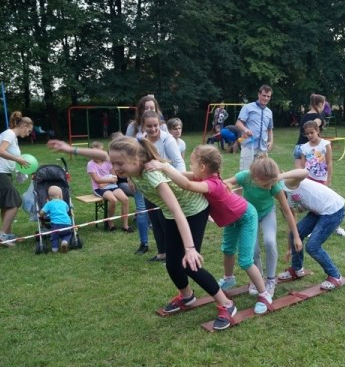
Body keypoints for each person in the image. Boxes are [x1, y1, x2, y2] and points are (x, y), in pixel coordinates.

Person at [48, 137, 238, 330]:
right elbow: (102, 155)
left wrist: (189, 248)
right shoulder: (128, 163)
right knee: (172, 263)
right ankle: (187, 297)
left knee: (190, 264)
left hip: (192, 210)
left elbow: (177, 210)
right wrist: (70, 149)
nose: (115, 167)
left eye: (119, 164)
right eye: (113, 163)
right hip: (172, 214)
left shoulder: (151, 175)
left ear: (135, 159)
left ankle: (226, 304)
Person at [146, 145, 274, 315]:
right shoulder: (204, 177)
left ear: (202, 167)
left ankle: (264, 294)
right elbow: (185, 176)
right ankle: (229, 279)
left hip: (245, 217)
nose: (190, 167)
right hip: (231, 220)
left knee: (245, 260)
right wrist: (163, 174)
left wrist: (164, 166)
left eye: (191, 163)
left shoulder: (211, 184)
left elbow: (186, 184)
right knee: (227, 250)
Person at [222, 156, 302, 295]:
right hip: (248, 216)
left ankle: (271, 280)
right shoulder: (245, 177)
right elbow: (223, 184)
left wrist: (296, 236)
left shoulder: (274, 185)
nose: (270, 187)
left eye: (272, 184)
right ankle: (257, 279)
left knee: (270, 242)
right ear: (254, 177)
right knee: (253, 250)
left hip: (267, 213)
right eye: (266, 185)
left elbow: (287, 211)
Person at [126, 97, 185, 260]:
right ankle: (162, 252)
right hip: (148, 185)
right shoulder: (140, 140)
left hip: (165, 183)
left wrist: (178, 182)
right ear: (143, 126)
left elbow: (179, 162)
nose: (153, 129)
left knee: (165, 218)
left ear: (160, 125)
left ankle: (175, 251)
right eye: (149, 126)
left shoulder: (167, 139)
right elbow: (131, 160)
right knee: (154, 219)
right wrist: (130, 178)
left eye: (155, 126)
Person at [277, 169, 345, 291]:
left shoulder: (288, 182)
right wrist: (289, 248)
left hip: (333, 210)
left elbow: (304, 172)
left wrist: (280, 176)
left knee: (313, 246)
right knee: (297, 233)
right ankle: (297, 269)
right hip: (318, 211)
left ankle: (335, 276)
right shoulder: (279, 195)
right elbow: (291, 223)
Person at [0, 111, 34, 246]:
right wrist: (18, 159)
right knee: (15, 201)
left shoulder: (13, 137)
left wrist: (19, 170)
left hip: (3, 173)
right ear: (23, 125)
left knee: (7, 203)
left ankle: (8, 235)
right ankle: (2, 235)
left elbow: (10, 156)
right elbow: (0, 151)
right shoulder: (9, 134)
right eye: (29, 130)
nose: (29, 134)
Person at [111, 131, 149, 254]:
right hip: (133, 184)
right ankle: (144, 243)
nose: (116, 167)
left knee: (158, 212)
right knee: (142, 210)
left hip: (149, 183)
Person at [86, 141, 132, 232]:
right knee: (113, 200)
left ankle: (125, 225)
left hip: (111, 185)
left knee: (125, 199)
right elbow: (97, 180)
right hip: (98, 189)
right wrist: (108, 180)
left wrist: (106, 182)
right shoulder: (90, 164)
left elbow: (115, 177)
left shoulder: (108, 162)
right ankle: (110, 221)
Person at [236, 85, 274, 170]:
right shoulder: (248, 107)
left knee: (262, 173)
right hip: (249, 145)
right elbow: (238, 123)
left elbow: (269, 129)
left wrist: (271, 141)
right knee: (246, 173)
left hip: (262, 148)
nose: (266, 98)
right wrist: (246, 130)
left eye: (268, 96)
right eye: (264, 95)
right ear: (259, 94)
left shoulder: (269, 112)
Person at [294, 94, 326, 169]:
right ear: (320, 104)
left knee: (298, 175)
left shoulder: (305, 115)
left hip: (298, 147)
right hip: (309, 149)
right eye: (324, 105)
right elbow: (312, 126)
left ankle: (283, 178)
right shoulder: (319, 117)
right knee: (310, 177)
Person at [39, 185, 72, 253]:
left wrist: (41, 214)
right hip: (67, 222)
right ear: (60, 195)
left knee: (54, 236)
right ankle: (64, 242)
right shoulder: (64, 203)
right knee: (67, 234)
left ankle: (55, 249)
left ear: (49, 196)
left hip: (56, 224)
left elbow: (42, 212)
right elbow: (67, 210)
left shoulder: (49, 204)